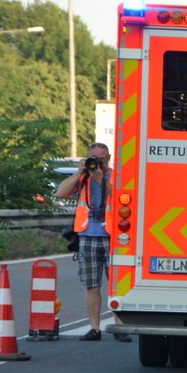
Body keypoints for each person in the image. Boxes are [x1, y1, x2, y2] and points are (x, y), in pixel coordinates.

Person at [55, 142, 129, 342]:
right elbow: (60, 193)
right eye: (94, 158)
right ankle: (95, 328)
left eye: (102, 158)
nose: (98, 162)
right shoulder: (84, 177)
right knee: (92, 285)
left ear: (109, 158)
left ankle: (120, 327)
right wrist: (80, 173)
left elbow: (123, 197)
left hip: (114, 237)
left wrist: (101, 178)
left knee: (117, 285)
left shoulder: (116, 176)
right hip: (87, 235)